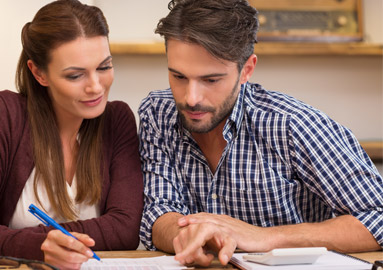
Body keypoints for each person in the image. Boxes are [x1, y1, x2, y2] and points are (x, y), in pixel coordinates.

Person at [138, 0, 383, 267]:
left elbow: (378, 217)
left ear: (247, 70)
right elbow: (159, 212)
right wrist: (184, 235)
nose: (191, 98)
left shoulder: (293, 124)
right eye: (179, 77)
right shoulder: (157, 113)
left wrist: (264, 236)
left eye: (211, 80)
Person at [0, 1, 143, 269]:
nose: (96, 87)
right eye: (75, 76)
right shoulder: (2, 114)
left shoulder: (117, 120)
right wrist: (39, 247)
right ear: (39, 73)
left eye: (104, 67)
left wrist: (7, 239)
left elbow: (125, 230)